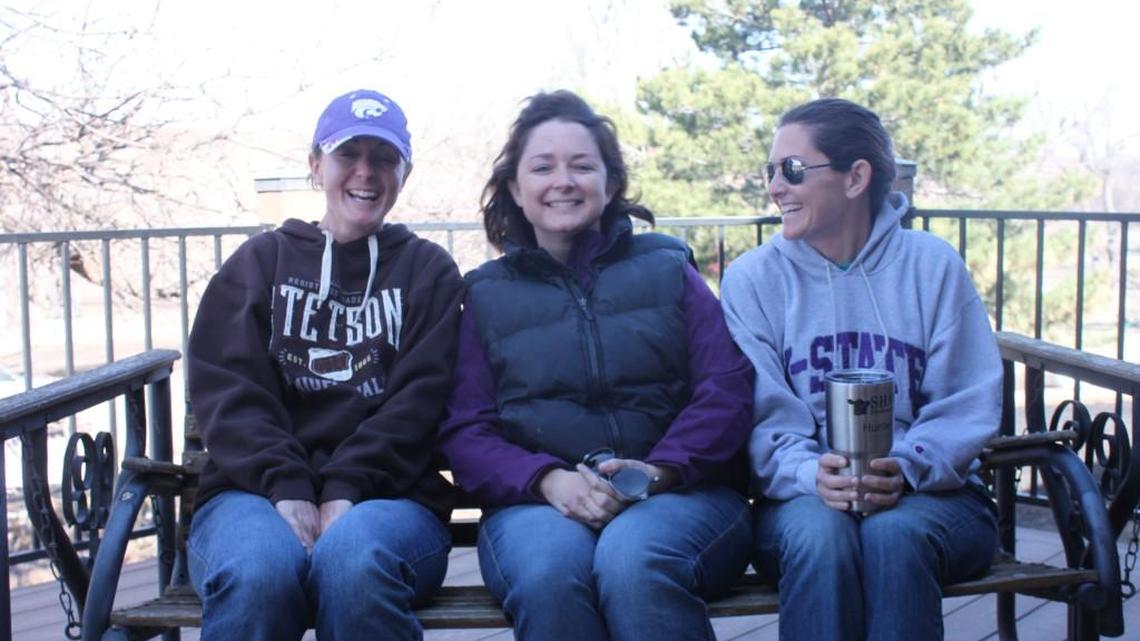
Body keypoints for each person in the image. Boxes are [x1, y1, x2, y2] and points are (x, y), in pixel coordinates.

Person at [438, 89, 755, 641]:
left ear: (610, 184)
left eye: (583, 166)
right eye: (543, 167)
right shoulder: (485, 296)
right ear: (516, 187)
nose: (564, 181)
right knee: (549, 574)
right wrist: (547, 480)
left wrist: (657, 472)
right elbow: (467, 430)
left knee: (635, 561)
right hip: (537, 504)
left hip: (680, 494)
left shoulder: (666, 268)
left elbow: (725, 390)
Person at [185, 88, 463, 641]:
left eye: (383, 157)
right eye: (348, 154)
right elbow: (229, 389)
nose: (366, 172)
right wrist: (285, 484)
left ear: (403, 172)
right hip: (251, 493)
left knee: (354, 565)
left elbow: (421, 401)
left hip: (391, 500)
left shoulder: (428, 272)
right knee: (257, 574)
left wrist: (346, 488)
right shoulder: (261, 263)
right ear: (316, 165)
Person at [719, 97, 1002, 641]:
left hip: (936, 497)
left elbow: (967, 400)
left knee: (893, 536)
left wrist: (908, 464)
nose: (776, 187)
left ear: (856, 178)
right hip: (802, 502)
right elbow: (759, 414)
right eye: (771, 171)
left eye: (793, 170)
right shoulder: (753, 280)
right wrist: (810, 474)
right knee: (823, 538)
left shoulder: (931, 266)